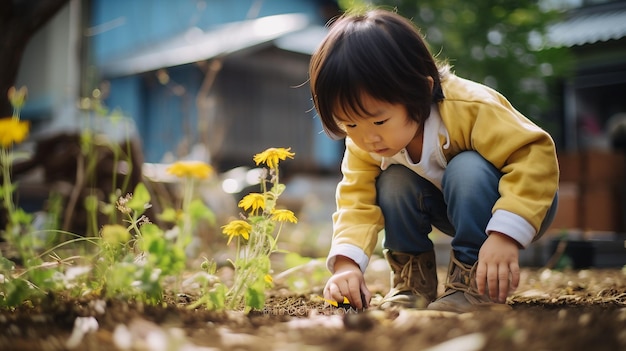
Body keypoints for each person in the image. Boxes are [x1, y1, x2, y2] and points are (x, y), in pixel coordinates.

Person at [308, 8, 559, 313]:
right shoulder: (365, 143)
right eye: (349, 124)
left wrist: (505, 234)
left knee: (466, 167)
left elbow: (534, 153)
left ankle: (473, 282)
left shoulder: (468, 107)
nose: (366, 139)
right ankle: (413, 283)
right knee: (392, 181)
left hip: (519, 202)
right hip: (449, 208)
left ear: (421, 91)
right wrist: (347, 265)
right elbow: (355, 201)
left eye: (378, 121)